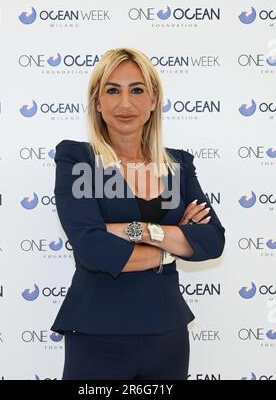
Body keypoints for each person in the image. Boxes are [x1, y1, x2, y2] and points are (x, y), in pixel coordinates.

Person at [51, 47, 225, 380]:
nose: (125, 103)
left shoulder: (178, 165)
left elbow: (212, 240)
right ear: (97, 102)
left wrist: (136, 230)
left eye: (137, 90)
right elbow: (92, 249)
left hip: (167, 332)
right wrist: (173, 247)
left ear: (154, 99)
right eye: (113, 90)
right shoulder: (77, 161)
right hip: (97, 332)